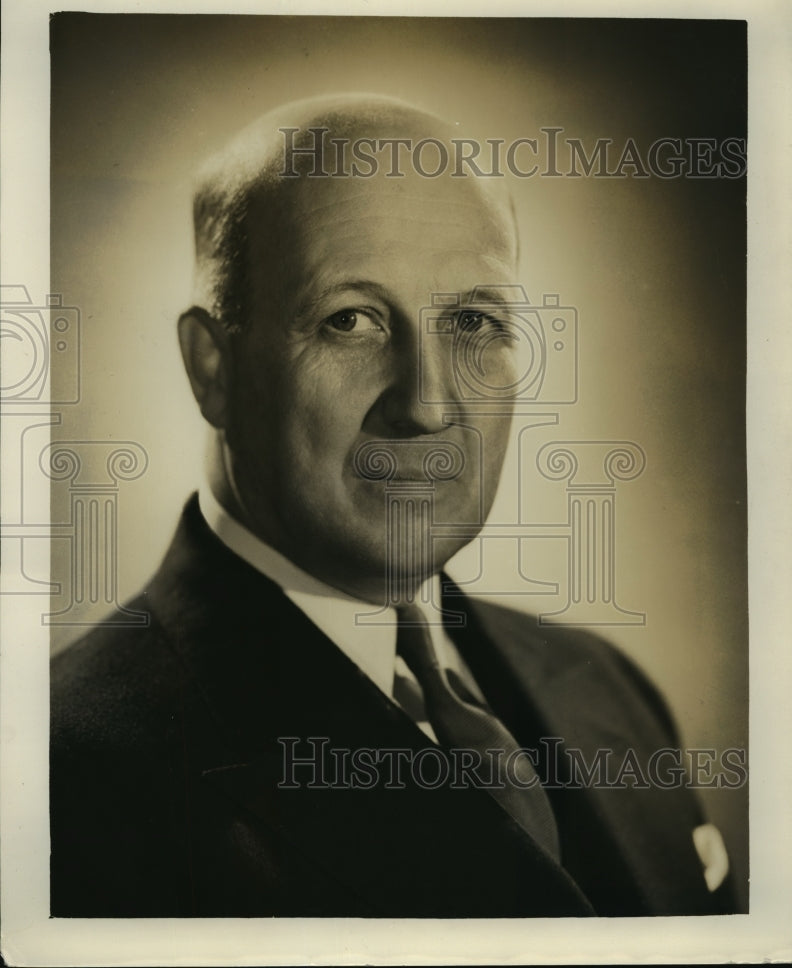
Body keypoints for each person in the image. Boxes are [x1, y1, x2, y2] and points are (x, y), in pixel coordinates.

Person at [50, 95, 735, 917]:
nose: (428, 405)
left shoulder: (607, 686)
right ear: (213, 369)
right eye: (351, 320)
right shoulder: (68, 779)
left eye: (474, 321)